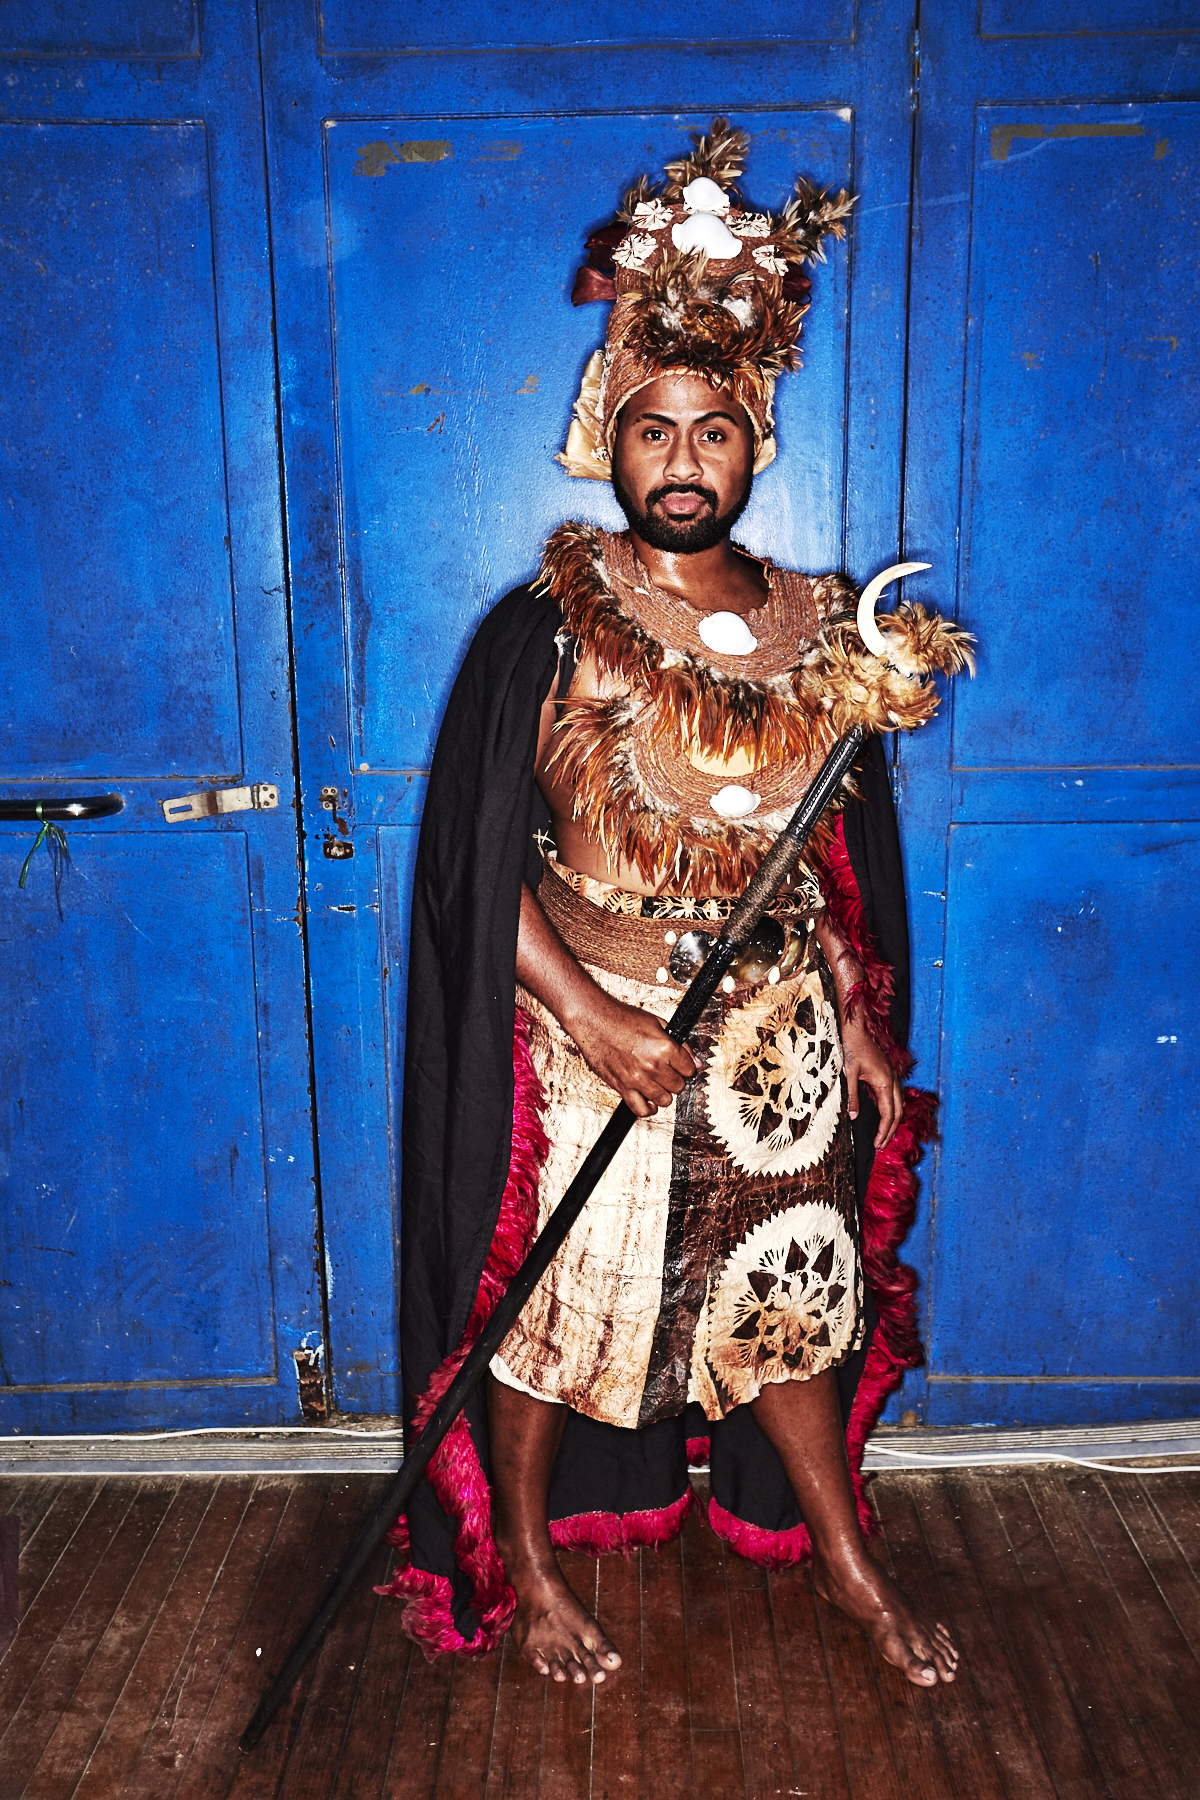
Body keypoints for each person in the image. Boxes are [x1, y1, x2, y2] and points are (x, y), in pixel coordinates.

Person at [382, 122, 972, 1691]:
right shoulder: (547, 626)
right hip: (597, 1031)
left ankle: (843, 1555)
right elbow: (471, 872)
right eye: (654, 430)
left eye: (715, 429)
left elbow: (834, 856)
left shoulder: (815, 632)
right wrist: (589, 1014)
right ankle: (521, 1550)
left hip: (774, 1047)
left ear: (754, 440)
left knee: (792, 1292)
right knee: (560, 1310)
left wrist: (854, 1010)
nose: (685, 460)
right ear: (609, 440)